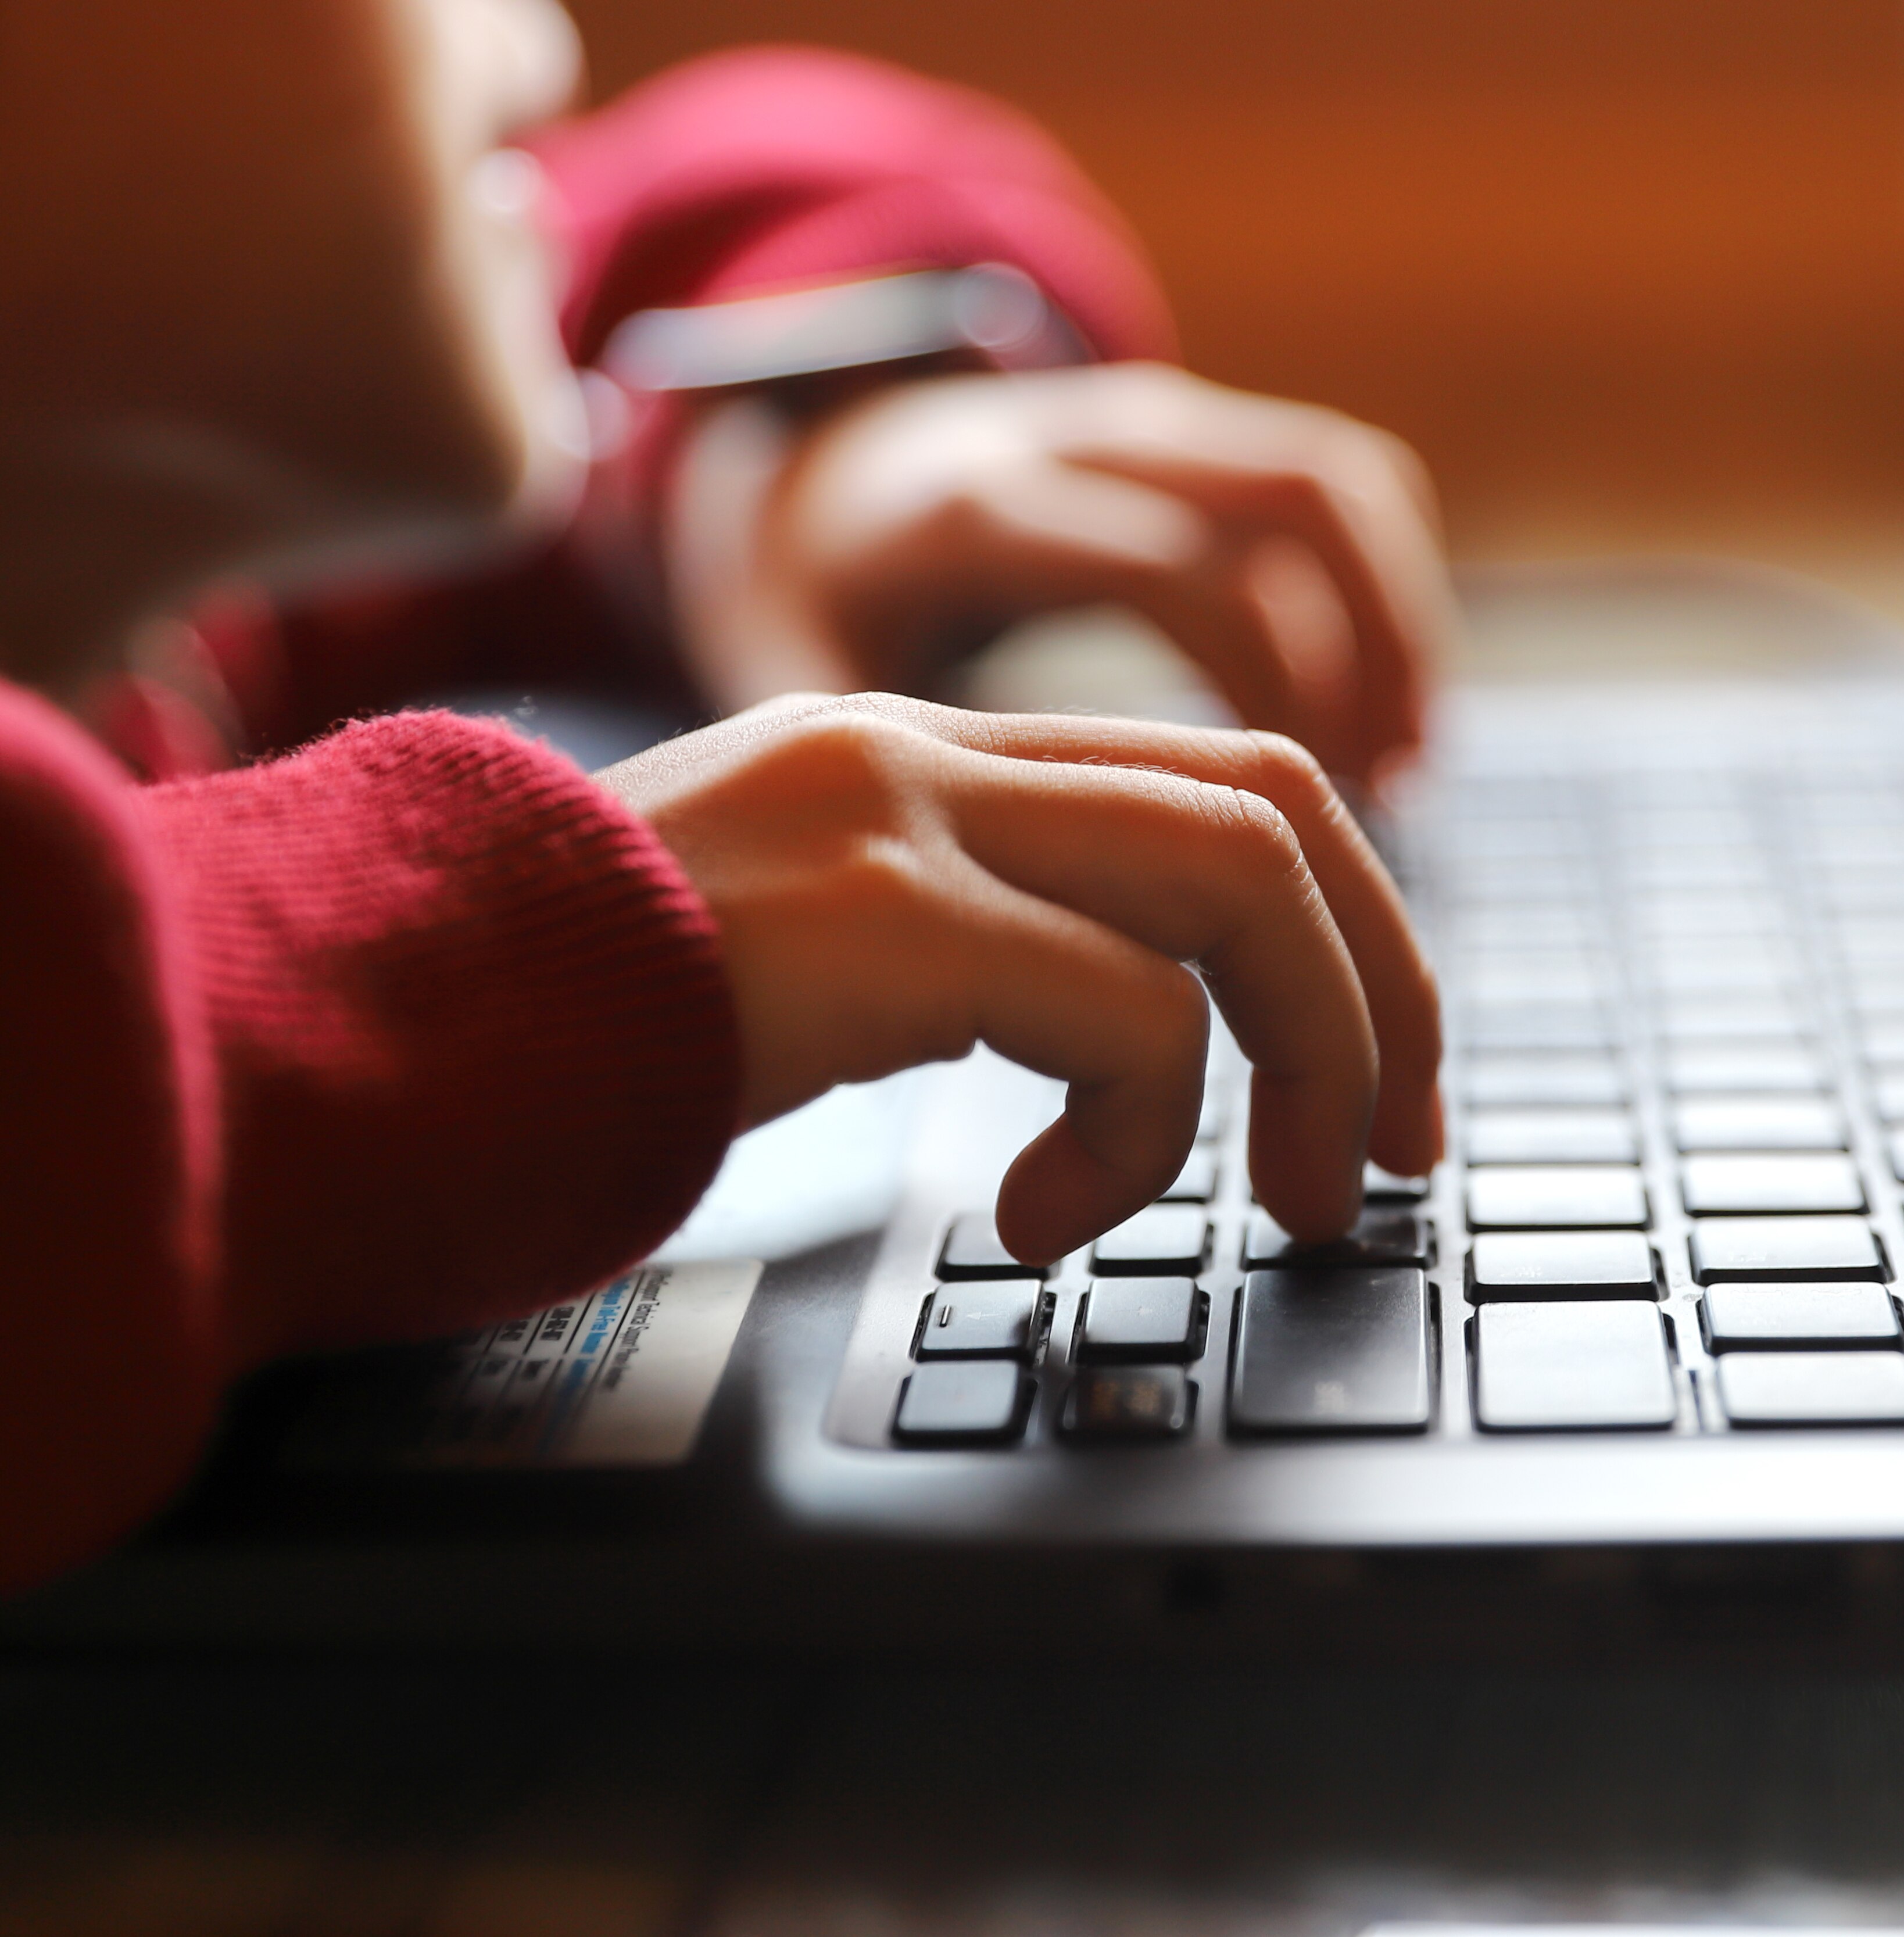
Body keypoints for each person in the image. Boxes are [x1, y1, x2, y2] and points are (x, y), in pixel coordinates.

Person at [0, 0, 1447, 1592]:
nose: (539, 40)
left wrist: (777, 455)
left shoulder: (131, 574)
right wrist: (488, 954)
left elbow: (658, 212)